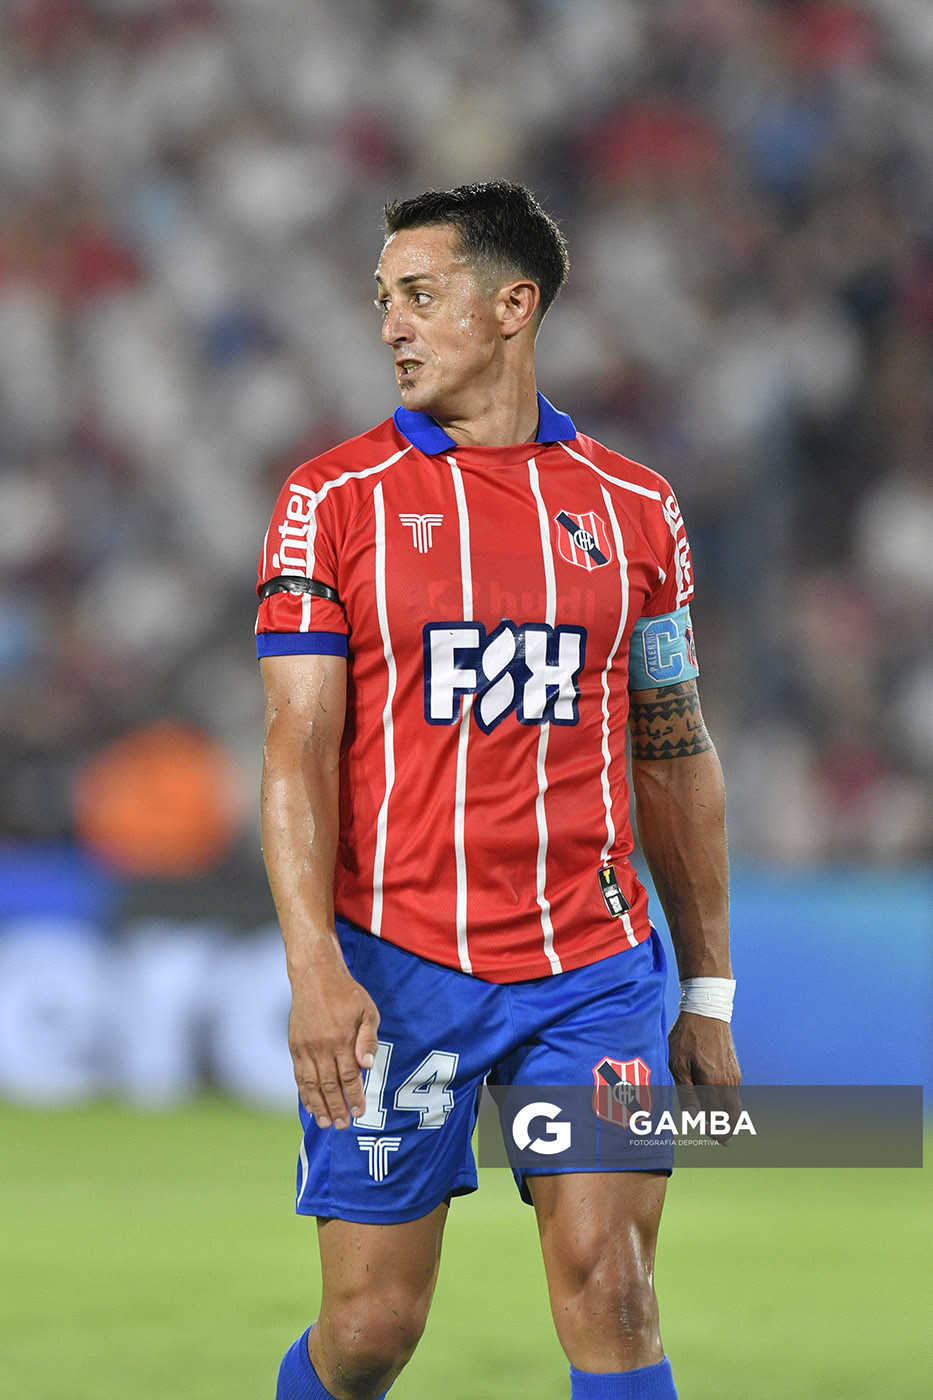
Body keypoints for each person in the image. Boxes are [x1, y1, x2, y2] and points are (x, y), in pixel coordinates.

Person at [257, 181, 739, 1400]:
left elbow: (674, 746)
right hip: (398, 966)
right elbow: (297, 744)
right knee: (370, 1332)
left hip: (596, 971)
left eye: (418, 296)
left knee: (613, 1283)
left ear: (512, 305)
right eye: (383, 301)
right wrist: (314, 965)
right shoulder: (334, 501)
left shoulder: (637, 510)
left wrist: (709, 986)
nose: (391, 326)